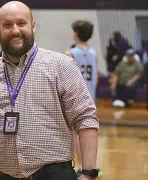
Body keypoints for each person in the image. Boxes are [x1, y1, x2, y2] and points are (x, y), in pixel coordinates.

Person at [0, 1, 99, 180]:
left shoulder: (61, 65)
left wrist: (88, 173)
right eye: (7, 25)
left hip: (54, 174)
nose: (15, 30)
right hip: (2, 175)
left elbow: (85, 118)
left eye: (21, 23)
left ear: (33, 26)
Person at [65, 20, 102, 178]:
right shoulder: (93, 53)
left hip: (75, 97)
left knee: (77, 134)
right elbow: (97, 78)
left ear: (77, 33)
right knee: (90, 131)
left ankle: (82, 167)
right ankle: (92, 166)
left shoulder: (70, 53)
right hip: (90, 96)